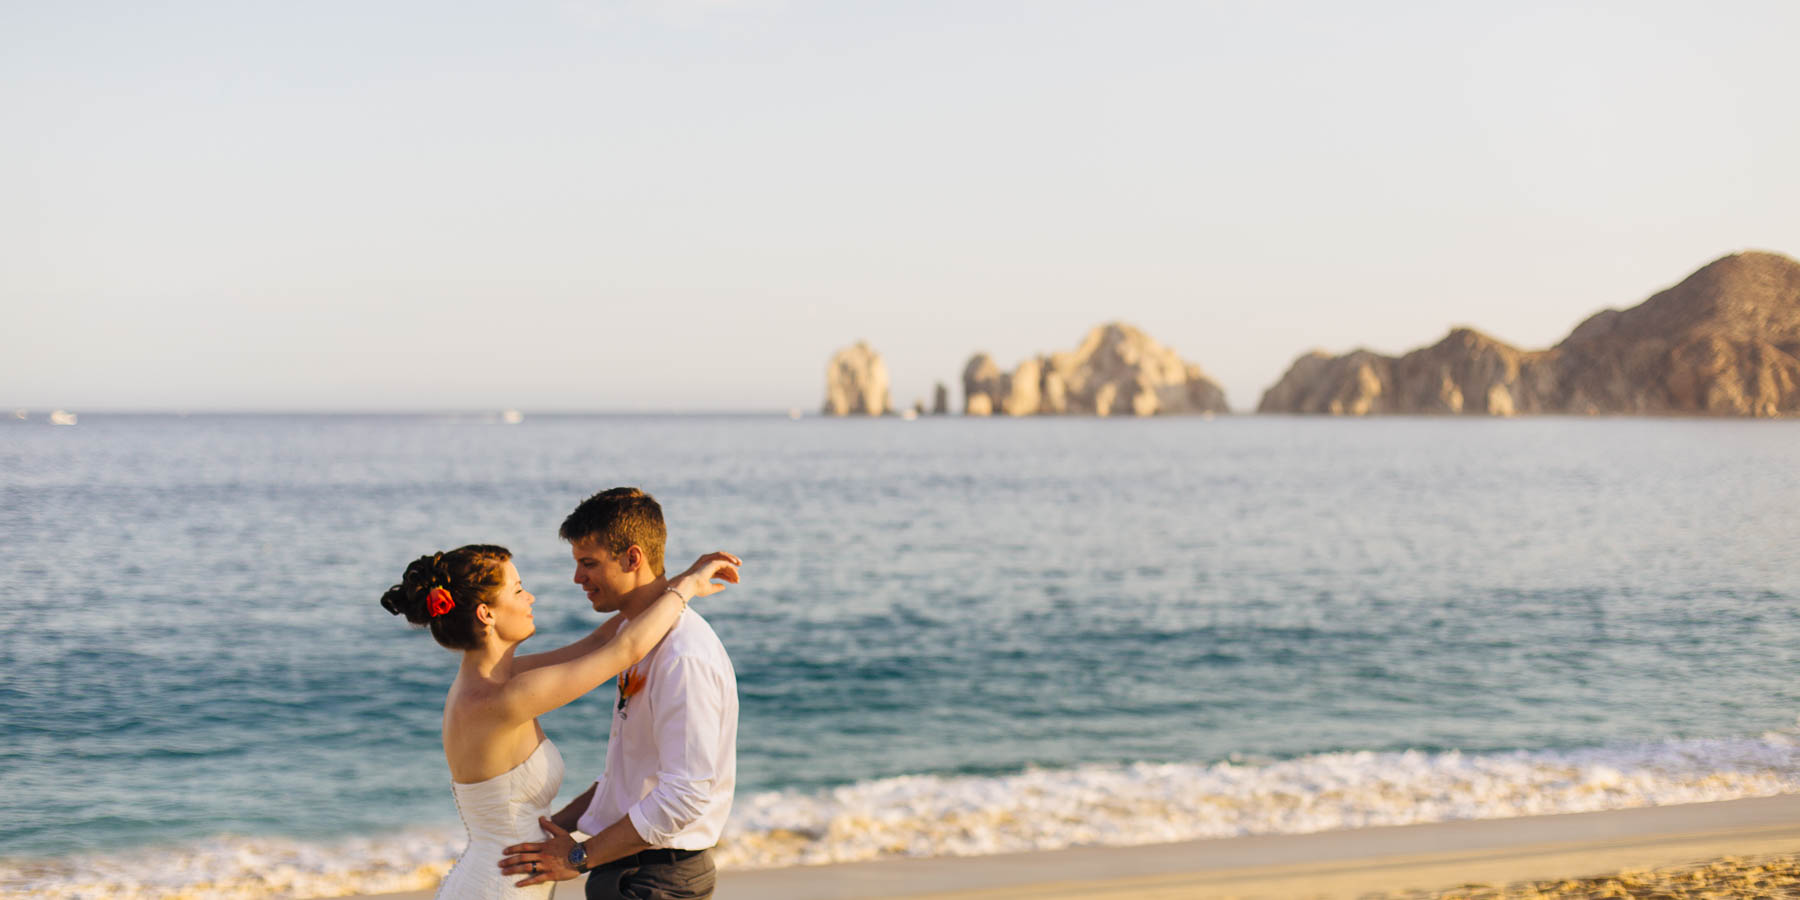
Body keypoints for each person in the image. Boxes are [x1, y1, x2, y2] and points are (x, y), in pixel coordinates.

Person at [380, 540, 740, 899]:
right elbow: (625, 649)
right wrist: (688, 586)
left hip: (497, 876)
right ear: (486, 614)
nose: (530, 598)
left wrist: (668, 585)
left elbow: (601, 639)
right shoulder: (505, 697)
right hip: (502, 886)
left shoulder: (486, 684)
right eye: (518, 590)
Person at [497, 488, 740, 900]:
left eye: (588, 563)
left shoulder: (682, 656)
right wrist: (554, 827)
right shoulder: (633, 633)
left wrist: (575, 858)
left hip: (656, 881)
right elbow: (627, 780)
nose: (577, 578)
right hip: (629, 871)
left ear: (632, 558)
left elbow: (684, 796)